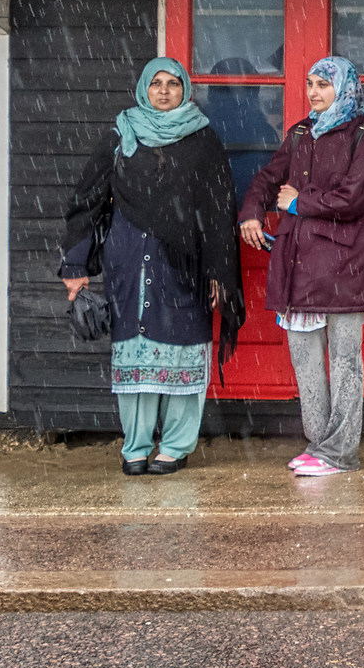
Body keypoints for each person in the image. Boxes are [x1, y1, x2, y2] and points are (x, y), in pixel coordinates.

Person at [59, 57, 245, 475]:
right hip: (129, 262)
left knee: (182, 347)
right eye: (156, 83)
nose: (164, 91)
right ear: (144, 88)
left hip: (183, 266)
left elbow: (218, 211)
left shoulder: (203, 140)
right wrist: (77, 265)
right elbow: (87, 200)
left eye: (173, 84)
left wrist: (219, 271)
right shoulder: (121, 135)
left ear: (185, 90)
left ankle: (176, 446)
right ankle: (136, 445)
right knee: (134, 353)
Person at [238, 56, 364, 477]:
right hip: (299, 264)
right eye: (309, 83)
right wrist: (252, 211)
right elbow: (269, 177)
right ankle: (319, 445)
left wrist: (299, 202)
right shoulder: (301, 132)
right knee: (305, 360)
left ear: (344, 88)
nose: (313, 92)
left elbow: (356, 196)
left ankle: (340, 453)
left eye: (323, 84)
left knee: (345, 363)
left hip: (347, 264)